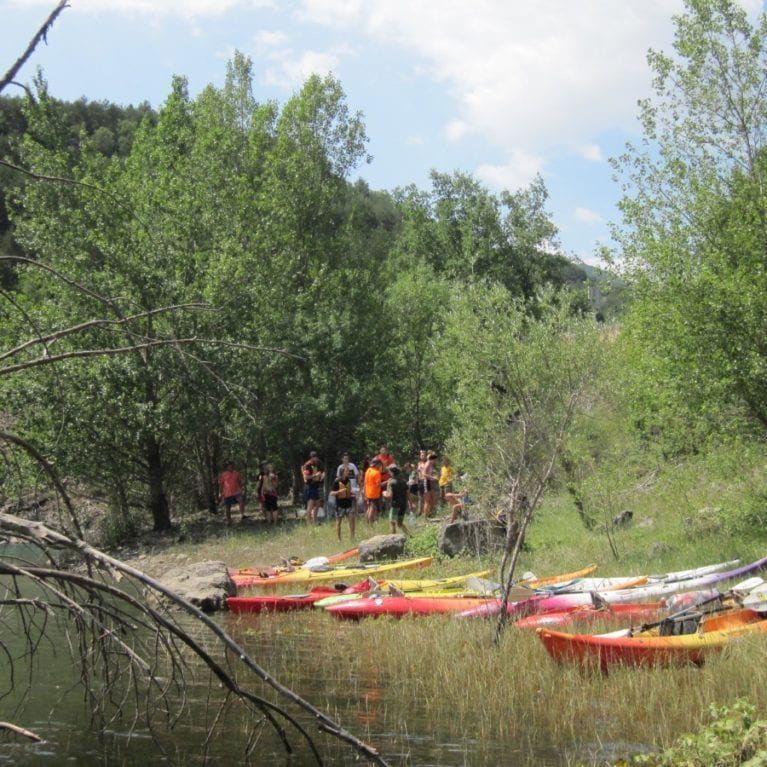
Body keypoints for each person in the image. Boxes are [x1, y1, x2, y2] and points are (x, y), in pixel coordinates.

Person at [330, 467, 356, 541]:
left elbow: (349, 491)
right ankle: (339, 539)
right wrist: (339, 492)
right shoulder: (337, 481)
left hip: (348, 503)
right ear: (342, 472)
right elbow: (331, 493)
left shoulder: (349, 481)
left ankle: (352, 537)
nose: (348, 472)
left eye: (348, 471)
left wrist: (353, 494)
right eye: (346, 471)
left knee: (352, 519)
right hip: (339, 505)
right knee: (339, 522)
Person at [384, 465, 411, 536]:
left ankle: (393, 539)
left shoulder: (391, 482)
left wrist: (384, 494)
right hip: (403, 505)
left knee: (392, 523)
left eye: (389, 472)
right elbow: (408, 494)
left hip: (395, 505)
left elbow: (390, 495)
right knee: (400, 523)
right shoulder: (403, 481)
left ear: (392, 473)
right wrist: (410, 504)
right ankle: (410, 535)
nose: (388, 473)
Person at [301, 452, 325, 524]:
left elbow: (321, 472)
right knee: (310, 505)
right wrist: (315, 475)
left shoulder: (315, 464)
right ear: (312, 457)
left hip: (316, 486)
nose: (317, 459)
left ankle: (315, 521)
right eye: (316, 457)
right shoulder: (307, 465)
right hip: (310, 487)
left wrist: (321, 476)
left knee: (317, 505)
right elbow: (306, 477)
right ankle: (309, 523)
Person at [364, 458, 384, 524]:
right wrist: (386, 482)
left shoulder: (368, 470)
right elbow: (378, 485)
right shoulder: (377, 473)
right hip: (374, 493)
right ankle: (370, 524)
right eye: (380, 465)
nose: (380, 466)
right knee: (371, 509)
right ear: (377, 464)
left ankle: (367, 522)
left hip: (368, 492)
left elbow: (365, 482)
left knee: (369, 508)